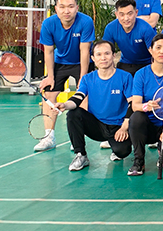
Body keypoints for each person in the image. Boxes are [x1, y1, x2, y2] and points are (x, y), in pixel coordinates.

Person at [57, 40, 134, 171]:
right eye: (98, 54)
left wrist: (124, 127)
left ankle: (115, 147)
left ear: (113, 55)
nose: (103, 58)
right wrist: (64, 104)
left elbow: (132, 103)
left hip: (117, 127)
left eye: (107, 53)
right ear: (93, 58)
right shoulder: (87, 79)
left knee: (123, 152)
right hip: (96, 125)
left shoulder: (125, 77)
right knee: (73, 114)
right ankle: (81, 155)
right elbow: (78, 97)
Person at [35, 0, 95, 152]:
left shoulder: (86, 21)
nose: (66, 11)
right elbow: (48, 51)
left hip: (82, 62)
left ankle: (78, 138)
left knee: (83, 96)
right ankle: (48, 137)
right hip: (59, 62)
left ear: (77, 8)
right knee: (49, 95)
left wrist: (83, 77)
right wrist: (50, 76)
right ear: (56, 9)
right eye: (62, 7)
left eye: (70, 6)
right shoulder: (49, 24)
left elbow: (85, 50)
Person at [127, 34, 163, 176]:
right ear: (150, 50)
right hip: (147, 125)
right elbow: (135, 105)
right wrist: (146, 106)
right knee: (136, 117)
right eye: (158, 47)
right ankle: (139, 160)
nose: (162, 52)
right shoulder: (141, 74)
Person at [102, 0, 156, 76]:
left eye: (130, 14)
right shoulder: (111, 28)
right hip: (126, 63)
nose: (126, 18)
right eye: (122, 14)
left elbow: (155, 53)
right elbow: (105, 50)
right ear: (116, 15)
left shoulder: (145, 28)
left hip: (146, 63)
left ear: (136, 13)